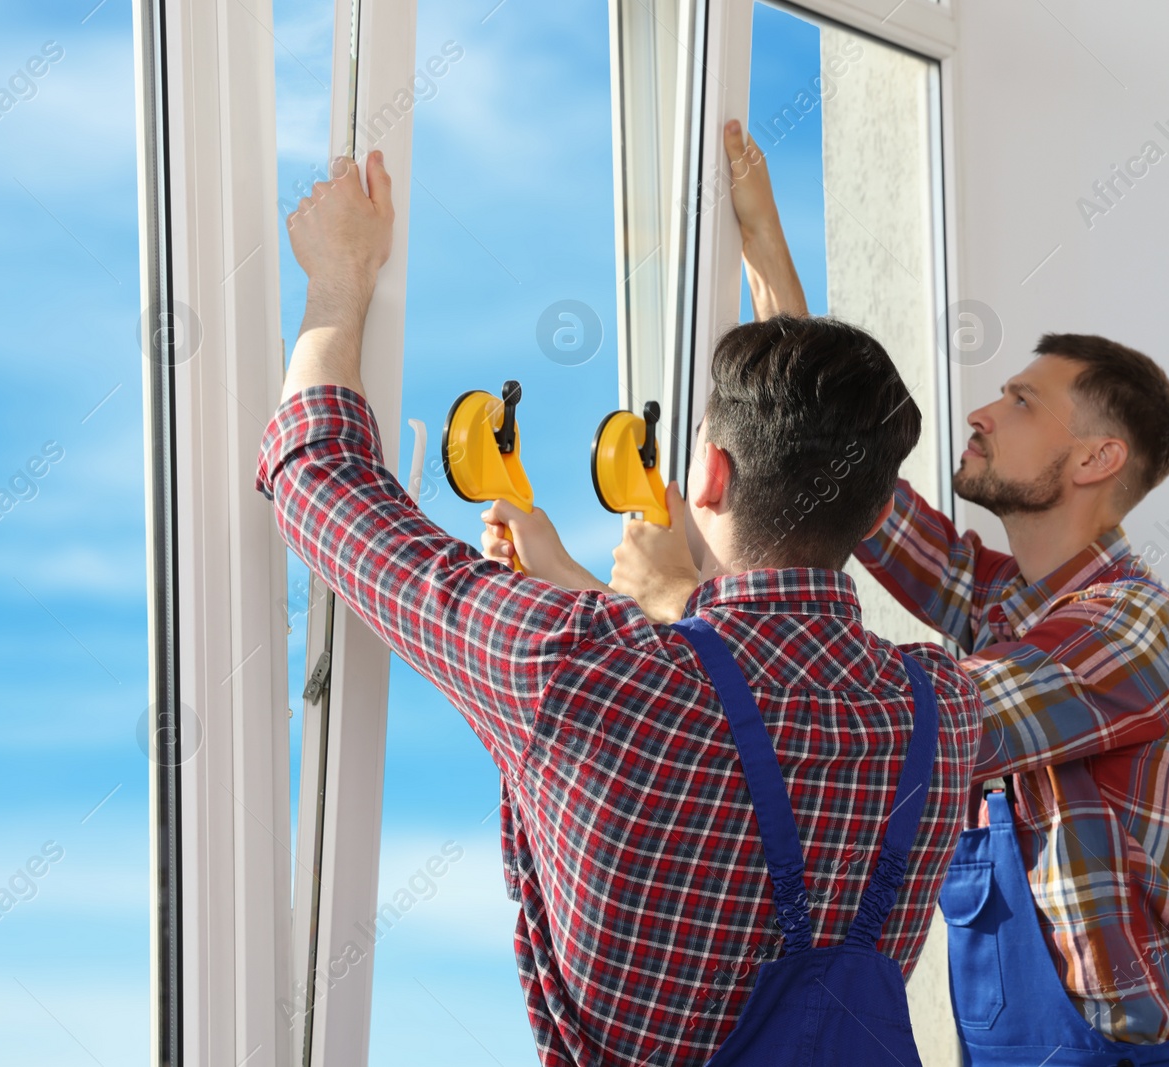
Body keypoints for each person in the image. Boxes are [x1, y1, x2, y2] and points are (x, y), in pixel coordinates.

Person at [261, 150, 981, 1065]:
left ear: (709, 475)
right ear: (879, 512)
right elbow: (753, 710)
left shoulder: (579, 668)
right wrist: (573, 579)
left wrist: (338, 281)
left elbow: (320, 482)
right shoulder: (942, 712)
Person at [611, 121, 1169, 1062]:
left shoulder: (1136, 629)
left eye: (1023, 402)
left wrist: (684, 602)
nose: (983, 408)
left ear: (1097, 458)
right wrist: (769, 257)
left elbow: (899, 728)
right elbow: (838, 483)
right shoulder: (1009, 605)